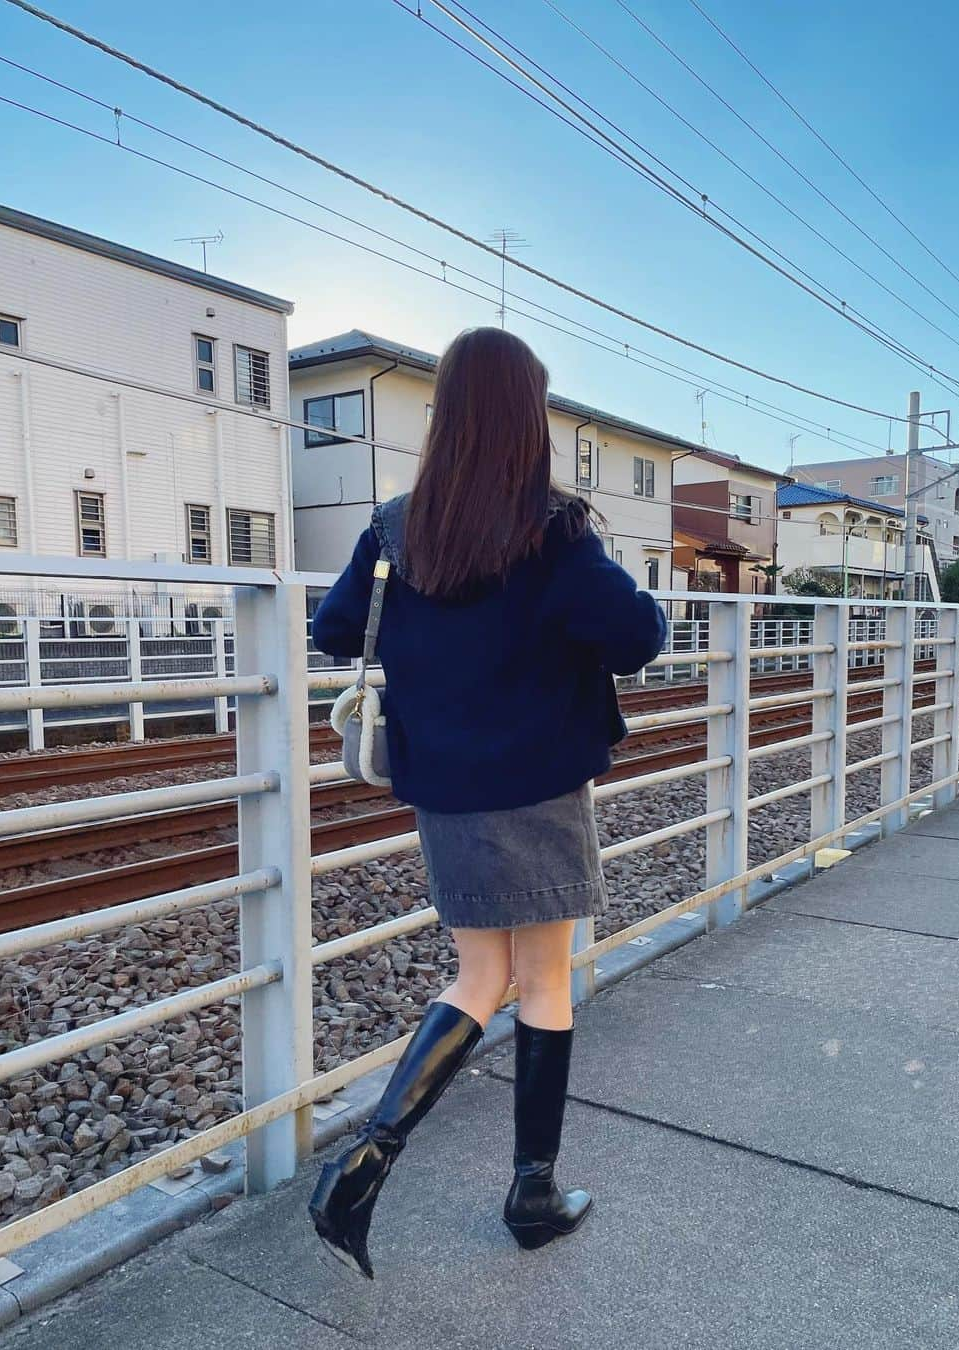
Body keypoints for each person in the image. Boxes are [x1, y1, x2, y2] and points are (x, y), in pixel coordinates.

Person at [308, 326, 666, 1278]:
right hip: (540, 787)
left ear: (449, 415)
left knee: (477, 979)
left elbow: (335, 625)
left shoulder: (395, 523)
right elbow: (634, 636)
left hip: (446, 790)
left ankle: (365, 1164)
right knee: (544, 983)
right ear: (525, 417)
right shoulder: (551, 526)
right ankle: (532, 1193)